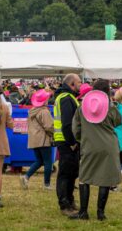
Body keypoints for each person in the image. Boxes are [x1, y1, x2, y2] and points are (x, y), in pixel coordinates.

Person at [70, 80, 122, 221]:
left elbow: (76, 129)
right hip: (108, 147)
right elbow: (118, 121)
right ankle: (100, 213)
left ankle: (83, 212)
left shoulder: (82, 107)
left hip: (89, 146)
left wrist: (83, 139)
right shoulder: (111, 107)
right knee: (105, 179)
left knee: (84, 178)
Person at [53, 73, 82, 216]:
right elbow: (67, 124)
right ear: (72, 84)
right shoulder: (66, 98)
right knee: (65, 174)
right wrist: (72, 142)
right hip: (66, 142)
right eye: (79, 82)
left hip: (66, 141)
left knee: (72, 173)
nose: (81, 85)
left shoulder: (68, 97)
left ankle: (70, 200)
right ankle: (65, 204)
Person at [20, 89, 55, 190]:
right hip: (43, 139)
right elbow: (49, 126)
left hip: (34, 139)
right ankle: (47, 184)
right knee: (48, 162)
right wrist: (54, 133)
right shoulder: (44, 111)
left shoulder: (32, 111)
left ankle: (26, 177)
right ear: (45, 100)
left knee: (39, 161)